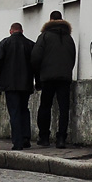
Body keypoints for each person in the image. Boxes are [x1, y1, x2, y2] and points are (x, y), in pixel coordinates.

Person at [31, 10, 77, 147]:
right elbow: (72, 57)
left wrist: (37, 75)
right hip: (64, 77)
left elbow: (35, 57)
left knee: (45, 106)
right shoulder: (69, 38)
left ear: (50, 21)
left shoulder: (44, 36)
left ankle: (44, 136)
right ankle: (61, 138)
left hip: (47, 77)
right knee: (64, 108)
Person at [0, 21, 35, 150]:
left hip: (10, 84)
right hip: (26, 83)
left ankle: (17, 141)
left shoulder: (4, 44)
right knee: (24, 109)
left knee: (14, 112)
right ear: (21, 31)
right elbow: (36, 63)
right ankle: (26, 137)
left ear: (10, 31)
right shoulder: (30, 44)